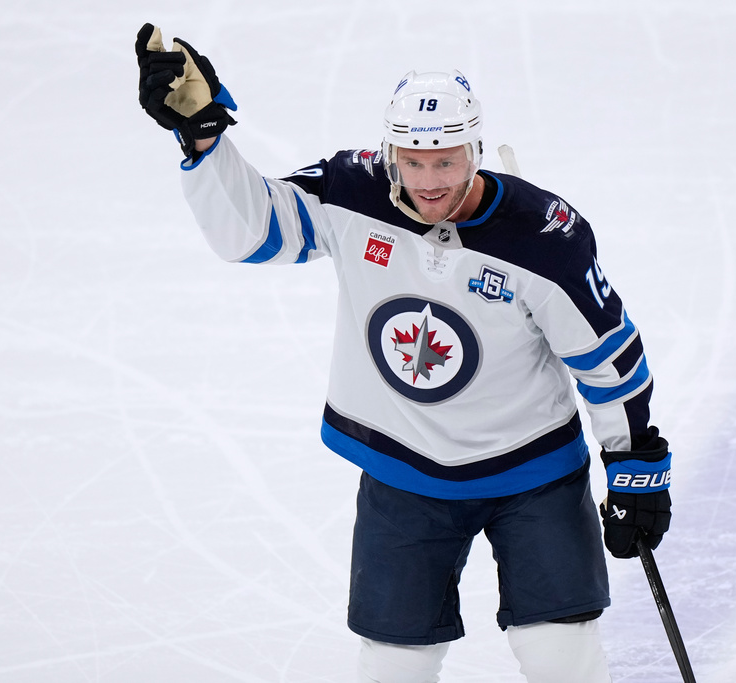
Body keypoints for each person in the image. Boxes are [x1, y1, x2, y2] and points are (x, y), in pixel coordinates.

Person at [136, 23, 673, 683]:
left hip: (531, 473)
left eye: (444, 161)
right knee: (393, 665)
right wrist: (203, 136)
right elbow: (253, 230)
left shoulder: (542, 237)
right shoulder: (351, 191)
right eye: (412, 162)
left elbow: (605, 356)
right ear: (392, 151)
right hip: (406, 472)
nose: (428, 180)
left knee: (559, 655)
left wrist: (634, 463)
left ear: (474, 149)